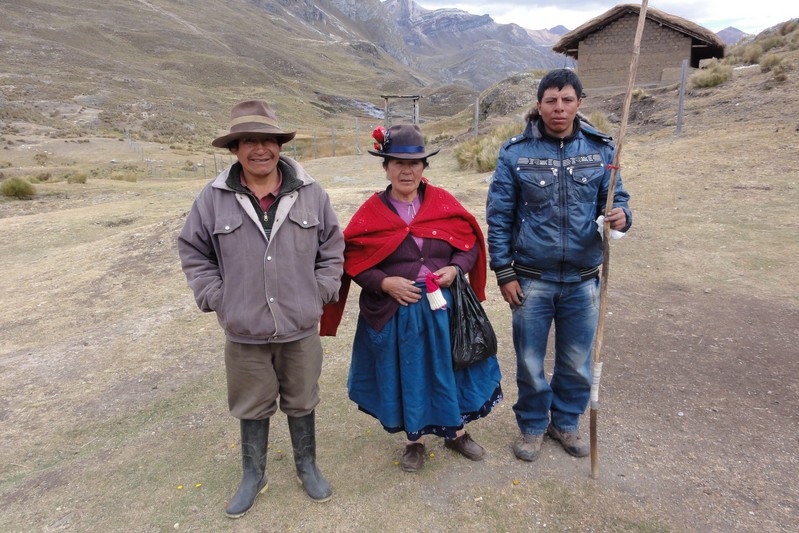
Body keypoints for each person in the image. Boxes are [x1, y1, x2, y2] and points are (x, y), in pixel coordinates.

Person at [177, 100, 344, 517]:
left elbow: (332, 249)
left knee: (302, 399)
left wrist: (320, 291)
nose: (260, 149)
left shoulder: (311, 193)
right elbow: (194, 252)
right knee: (251, 404)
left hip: (299, 325)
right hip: (244, 330)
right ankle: (254, 475)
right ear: (235, 148)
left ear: (279, 145)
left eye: (267, 140)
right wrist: (217, 297)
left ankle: (307, 466)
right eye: (248, 141)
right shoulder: (212, 199)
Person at [320, 124, 502, 472]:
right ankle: (414, 440)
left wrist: (455, 269)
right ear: (386, 167)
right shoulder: (372, 211)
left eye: (414, 163)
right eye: (398, 163)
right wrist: (384, 282)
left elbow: (469, 244)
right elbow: (353, 260)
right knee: (409, 374)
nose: (407, 171)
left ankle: (456, 433)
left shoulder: (441, 202)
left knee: (450, 371)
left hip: (443, 309)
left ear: (423, 166)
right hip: (396, 313)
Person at [486, 69, 632, 462]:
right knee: (530, 361)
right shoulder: (515, 153)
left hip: (584, 280)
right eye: (551, 100)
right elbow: (498, 216)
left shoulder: (602, 150)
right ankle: (533, 425)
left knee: (577, 361)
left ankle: (565, 422)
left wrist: (621, 216)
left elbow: (617, 198)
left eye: (567, 100)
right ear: (539, 105)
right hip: (532, 279)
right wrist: (504, 272)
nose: (559, 108)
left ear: (579, 103)